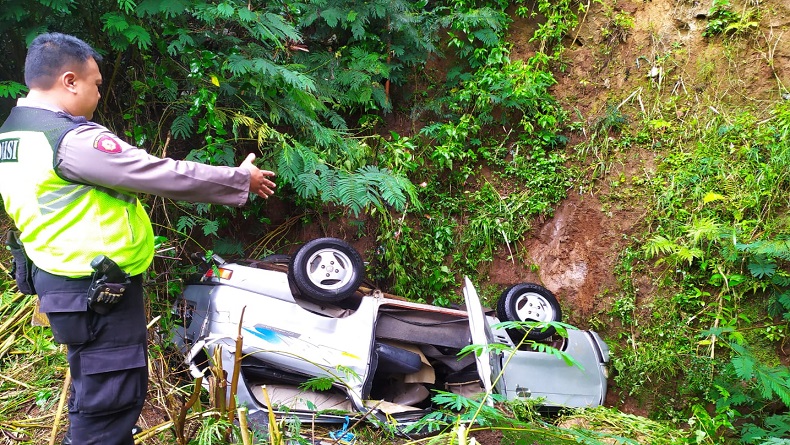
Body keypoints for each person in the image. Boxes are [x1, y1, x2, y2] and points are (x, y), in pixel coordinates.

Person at [0, 33, 276, 445]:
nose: (98, 92)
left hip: (64, 285)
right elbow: (157, 172)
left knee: (97, 394)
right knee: (108, 404)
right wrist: (239, 179)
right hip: (95, 292)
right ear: (70, 81)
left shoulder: (13, 133)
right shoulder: (71, 140)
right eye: (95, 83)